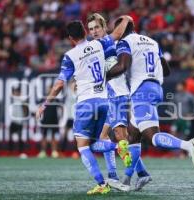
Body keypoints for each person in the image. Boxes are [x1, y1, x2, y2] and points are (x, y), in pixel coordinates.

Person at [36, 17, 132, 195]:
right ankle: (119, 147)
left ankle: (102, 183)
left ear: (71, 39)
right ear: (85, 32)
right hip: (104, 101)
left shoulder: (70, 56)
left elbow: (59, 85)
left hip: (86, 103)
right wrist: (126, 18)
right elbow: (118, 33)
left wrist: (45, 103)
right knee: (96, 144)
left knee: (82, 146)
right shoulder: (99, 44)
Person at [107, 19, 194, 187]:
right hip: (156, 87)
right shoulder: (152, 41)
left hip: (141, 90)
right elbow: (166, 70)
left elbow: (122, 66)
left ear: (120, 29)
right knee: (134, 135)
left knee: (152, 137)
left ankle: (188, 145)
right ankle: (131, 178)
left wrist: (103, 77)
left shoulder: (124, 42)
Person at [87, 13, 150, 191]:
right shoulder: (99, 44)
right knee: (109, 137)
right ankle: (138, 173)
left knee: (121, 139)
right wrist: (127, 19)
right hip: (111, 96)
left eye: (97, 27)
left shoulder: (112, 42)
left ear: (104, 27)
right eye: (91, 29)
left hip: (118, 95)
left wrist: (127, 19)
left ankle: (120, 177)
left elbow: (117, 35)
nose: (94, 32)